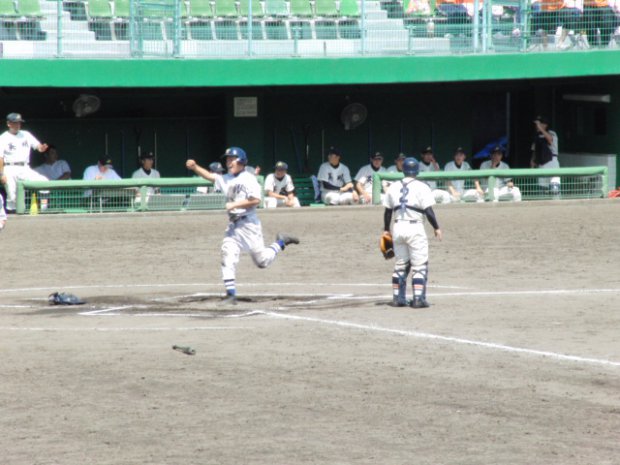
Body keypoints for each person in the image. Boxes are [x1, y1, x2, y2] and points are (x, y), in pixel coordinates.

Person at [185, 147, 300, 305]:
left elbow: (255, 200)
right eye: (227, 159)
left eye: (232, 159)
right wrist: (195, 167)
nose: (228, 162)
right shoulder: (225, 178)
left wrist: (235, 204)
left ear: (242, 161)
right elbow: (211, 177)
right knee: (227, 254)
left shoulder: (249, 178)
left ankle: (281, 242)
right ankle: (231, 294)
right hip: (233, 226)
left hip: (249, 225)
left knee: (262, 261)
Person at [382, 157, 442, 308]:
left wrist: (385, 230)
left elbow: (387, 212)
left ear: (403, 170)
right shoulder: (422, 187)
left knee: (401, 264)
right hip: (415, 228)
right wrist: (436, 227)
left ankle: (398, 299)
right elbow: (429, 211)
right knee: (419, 265)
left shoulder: (393, 186)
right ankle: (418, 299)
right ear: (417, 171)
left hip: (398, 228)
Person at [0, 112, 49, 212]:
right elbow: (0, 158)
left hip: (24, 167)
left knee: (44, 182)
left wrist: (42, 148)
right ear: (9, 124)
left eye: (19, 122)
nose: (17, 125)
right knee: (12, 196)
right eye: (15, 122)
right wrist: (1, 174)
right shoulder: (3, 138)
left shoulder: (26, 134)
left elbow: (38, 146)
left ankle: (44, 211)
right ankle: (14, 220)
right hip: (9, 168)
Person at [530, 115, 561, 195]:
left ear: (545, 124)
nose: (537, 126)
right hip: (541, 164)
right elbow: (534, 149)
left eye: (539, 124)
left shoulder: (552, 133)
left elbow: (550, 140)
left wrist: (540, 128)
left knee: (555, 188)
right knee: (543, 189)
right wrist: (533, 160)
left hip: (552, 162)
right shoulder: (536, 136)